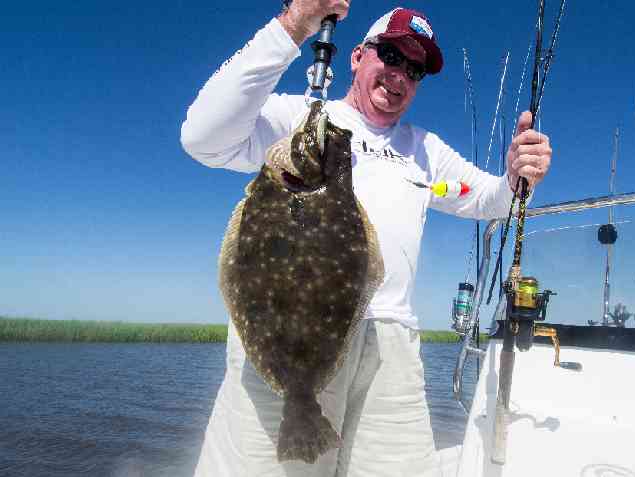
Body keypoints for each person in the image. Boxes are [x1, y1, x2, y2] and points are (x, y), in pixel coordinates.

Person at [180, 2, 552, 476]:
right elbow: (202, 137)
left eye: (414, 70)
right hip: (289, 335)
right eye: (391, 57)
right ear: (357, 56)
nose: (400, 76)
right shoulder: (301, 118)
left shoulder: (424, 150)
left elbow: (490, 199)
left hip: (390, 345)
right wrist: (294, 25)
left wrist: (517, 174)